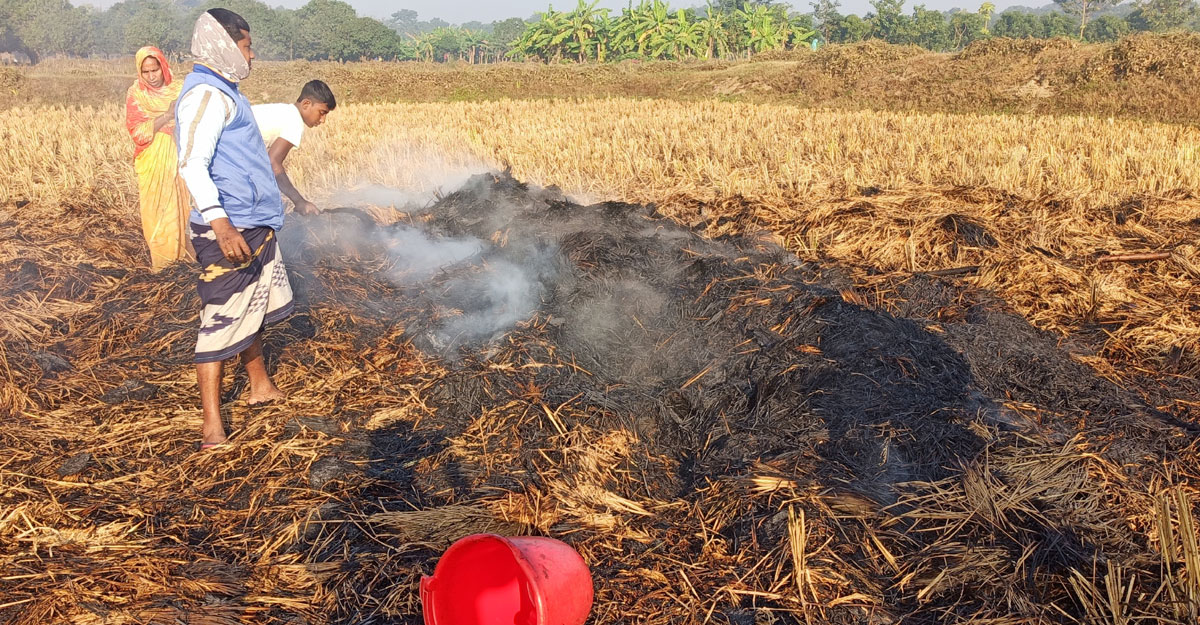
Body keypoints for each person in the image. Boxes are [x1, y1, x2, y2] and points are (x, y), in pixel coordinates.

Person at [175, 8, 293, 449]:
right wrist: (222, 226)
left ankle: (259, 385)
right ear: (223, 46)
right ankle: (211, 424)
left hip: (251, 222)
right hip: (229, 228)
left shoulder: (228, 92)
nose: (252, 54)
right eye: (246, 45)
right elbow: (192, 165)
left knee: (253, 305)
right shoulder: (206, 95)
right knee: (220, 320)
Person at [125, 46, 194, 270]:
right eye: (145, 72)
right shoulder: (136, 94)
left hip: (179, 156)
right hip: (152, 160)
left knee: (180, 209)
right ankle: (164, 265)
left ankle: (183, 260)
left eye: (155, 70)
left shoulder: (180, 89)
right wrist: (166, 115)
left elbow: (194, 121)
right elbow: (137, 132)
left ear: (163, 67)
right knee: (157, 212)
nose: (151, 76)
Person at [252, 80, 336, 215]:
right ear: (306, 104)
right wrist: (299, 201)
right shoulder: (294, 121)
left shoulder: (283, 110)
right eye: (322, 112)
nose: (323, 120)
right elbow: (273, 162)